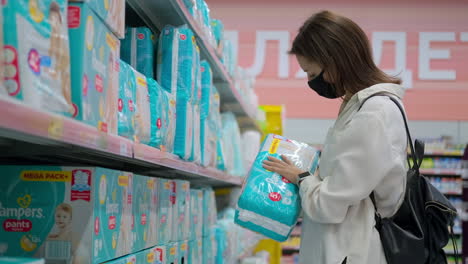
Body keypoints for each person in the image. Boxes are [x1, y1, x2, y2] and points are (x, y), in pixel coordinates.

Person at [262, 11, 408, 264]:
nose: (310, 82)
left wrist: (301, 178)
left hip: (351, 251)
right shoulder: (360, 106)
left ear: (334, 61)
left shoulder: (375, 113)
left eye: (311, 73)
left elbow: (329, 204)